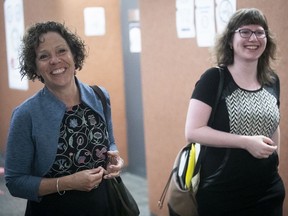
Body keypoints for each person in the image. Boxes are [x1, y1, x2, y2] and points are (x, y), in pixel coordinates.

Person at [5, 21, 124, 216]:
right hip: (53, 210)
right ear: (35, 67)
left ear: (74, 55)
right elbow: (15, 182)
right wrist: (68, 183)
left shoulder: (100, 96)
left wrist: (114, 158)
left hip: (104, 205)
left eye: (61, 51)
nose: (55, 60)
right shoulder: (26, 115)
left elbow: (110, 142)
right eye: (44, 56)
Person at [185, 8, 285, 216]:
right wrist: (245, 142)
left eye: (259, 32)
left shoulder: (272, 81)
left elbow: (273, 125)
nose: (253, 38)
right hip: (223, 191)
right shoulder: (214, 78)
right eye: (245, 32)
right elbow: (193, 131)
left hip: (268, 188)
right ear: (230, 40)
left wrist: (275, 156)